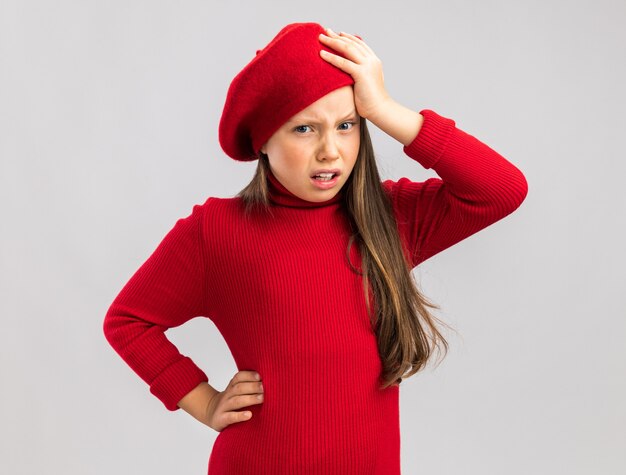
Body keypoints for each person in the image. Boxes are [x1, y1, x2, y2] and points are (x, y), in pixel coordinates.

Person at [103, 22, 528, 474]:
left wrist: (385, 109)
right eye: (304, 129)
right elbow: (128, 321)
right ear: (263, 141)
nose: (331, 151)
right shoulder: (217, 231)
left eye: (347, 125)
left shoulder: (387, 217)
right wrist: (204, 401)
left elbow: (501, 190)